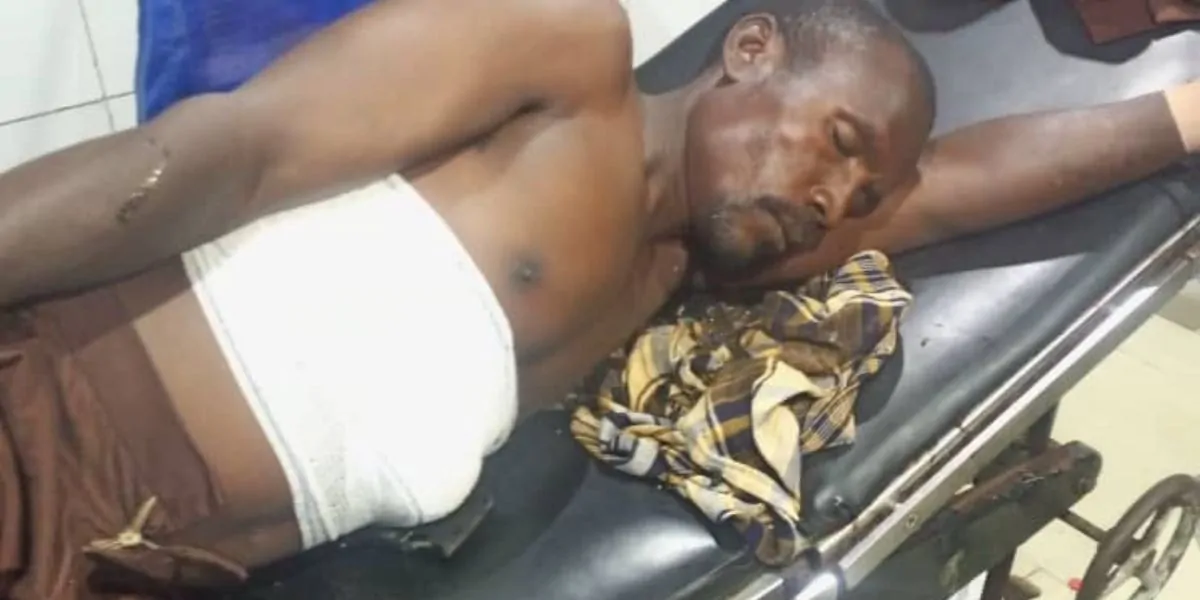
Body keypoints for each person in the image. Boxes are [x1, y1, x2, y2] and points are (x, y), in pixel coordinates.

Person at [0, 0, 1197, 597]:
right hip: (45, 435)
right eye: (836, 142)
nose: (834, 198)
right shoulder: (565, 63)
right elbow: (215, 156)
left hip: (143, 570)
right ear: (751, 50)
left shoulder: (674, 270)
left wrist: (1187, 116)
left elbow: (969, 182)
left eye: (861, 192)